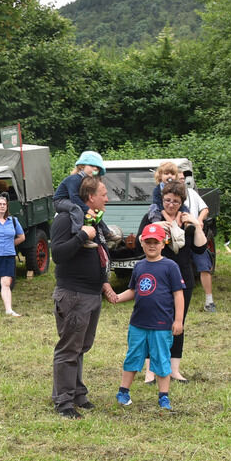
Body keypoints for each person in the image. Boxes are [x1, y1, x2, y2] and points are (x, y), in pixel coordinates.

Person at [50, 177, 121, 419]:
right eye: (104, 194)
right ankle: (63, 401)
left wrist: (104, 283)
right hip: (73, 295)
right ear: (90, 196)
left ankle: (78, 394)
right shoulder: (65, 219)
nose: (107, 198)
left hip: (92, 294)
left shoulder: (96, 222)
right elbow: (58, 254)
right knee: (69, 349)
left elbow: (98, 254)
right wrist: (81, 235)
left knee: (81, 347)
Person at [137, 181, 207, 384]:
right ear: (162, 199)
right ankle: (151, 371)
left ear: (181, 201)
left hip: (182, 277)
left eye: (175, 201)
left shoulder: (186, 220)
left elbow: (200, 249)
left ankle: (173, 369)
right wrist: (154, 227)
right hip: (157, 277)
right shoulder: (153, 217)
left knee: (178, 323)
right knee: (153, 323)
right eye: (167, 200)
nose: (171, 204)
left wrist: (196, 223)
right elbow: (139, 243)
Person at [114, 222, 186, 411]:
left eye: (156, 242)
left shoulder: (170, 266)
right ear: (142, 243)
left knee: (161, 359)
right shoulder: (139, 266)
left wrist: (178, 320)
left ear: (164, 243)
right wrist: (117, 297)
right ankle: (123, 392)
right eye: (148, 242)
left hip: (161, 325)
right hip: (138, 323)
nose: (152, 245)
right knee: (132, 357)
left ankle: (163, 396)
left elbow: (179, 294)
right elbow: (134, 290)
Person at [53, 151, 117, 246]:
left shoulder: (85, 181)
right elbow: (74, 197)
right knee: (76, 209)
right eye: (92, 166)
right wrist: (87, 210)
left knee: (94, 213)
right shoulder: (74, 179)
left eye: (98, 168)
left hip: (70, 200)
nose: (95, 169)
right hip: (60, 201)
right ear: (82, 167)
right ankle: (79, 234)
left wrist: (91, 211)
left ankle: (106, 233)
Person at [178, 171, 216, 312]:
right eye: (179, 179)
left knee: (204, 265)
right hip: (178, 237)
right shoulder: (170, 195)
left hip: (195, 235)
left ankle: (209, 301)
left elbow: (205, 209)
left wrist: (199, 220)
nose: (182, 181)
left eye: (183, 179)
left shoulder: (191, 193)